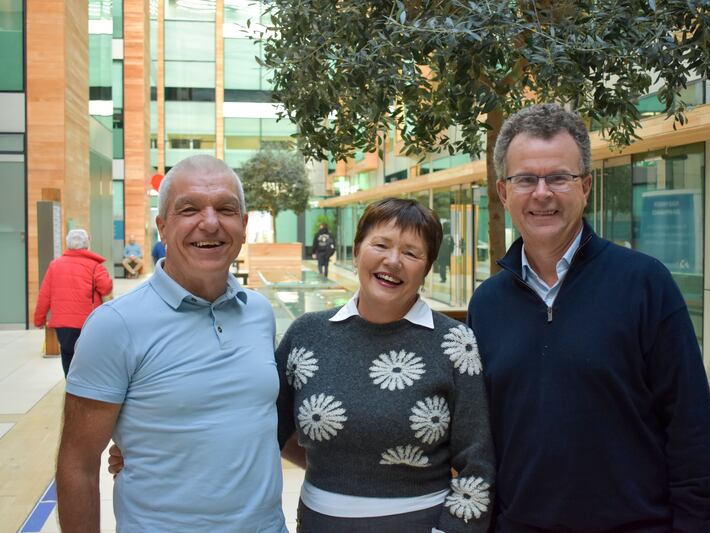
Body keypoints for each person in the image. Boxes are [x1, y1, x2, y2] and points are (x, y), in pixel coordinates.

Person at [467, 104, 710, 532]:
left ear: (586, 186)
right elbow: (481, 440)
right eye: (525, 179)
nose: (542, 193)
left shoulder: (644, 284)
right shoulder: (487, 304)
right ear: (503, 192)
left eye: (559, 177)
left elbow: (693, 430)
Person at [56, 155, 287, 532]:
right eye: (189, 209)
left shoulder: (259, 313)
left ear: (244, 226)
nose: (210, 222)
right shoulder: (115, 326)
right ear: (162, 226)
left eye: (226, 209)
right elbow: (77, 464)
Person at [277, 198, 494, 532]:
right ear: (356, 251)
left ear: (427, 268)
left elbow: (477, 463)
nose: (393, 261)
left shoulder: (454, 343)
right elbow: (268, 429)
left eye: (411, 253)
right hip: (319, 521)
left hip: (422, 524)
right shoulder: (306, 334)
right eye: (380, 245)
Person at [33, 229, 112, 376]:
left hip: (63, 324)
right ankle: (87, 385)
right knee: (88, 356)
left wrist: (39, 319)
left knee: (67, 353)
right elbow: (106, 288)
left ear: (68, 244)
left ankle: (71, 384)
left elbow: (45, 295)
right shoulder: (95, 266)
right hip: (88, 322)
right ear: (87, 244)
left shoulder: (55, 265)